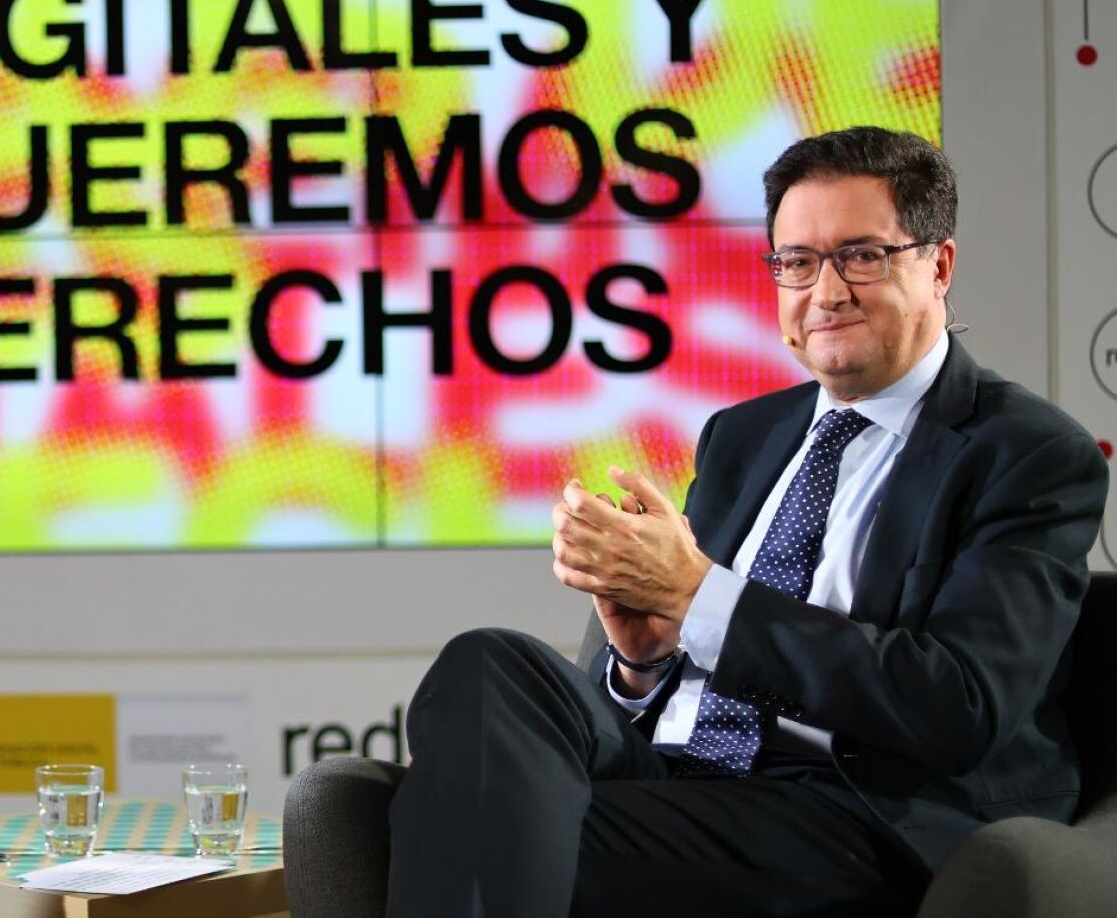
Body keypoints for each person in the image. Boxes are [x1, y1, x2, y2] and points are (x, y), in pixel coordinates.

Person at [386, 127, 1110, 917]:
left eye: (861, 256)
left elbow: (960, 704)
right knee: (492, 663)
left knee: (488, 834)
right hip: (680, 777)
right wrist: (643, 660)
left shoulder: (1026, 453)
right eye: (796, 262)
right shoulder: (743, 434)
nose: (826, 292)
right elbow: (680, 650)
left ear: (938, 265)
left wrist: (697, 596)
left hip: (853, 808)